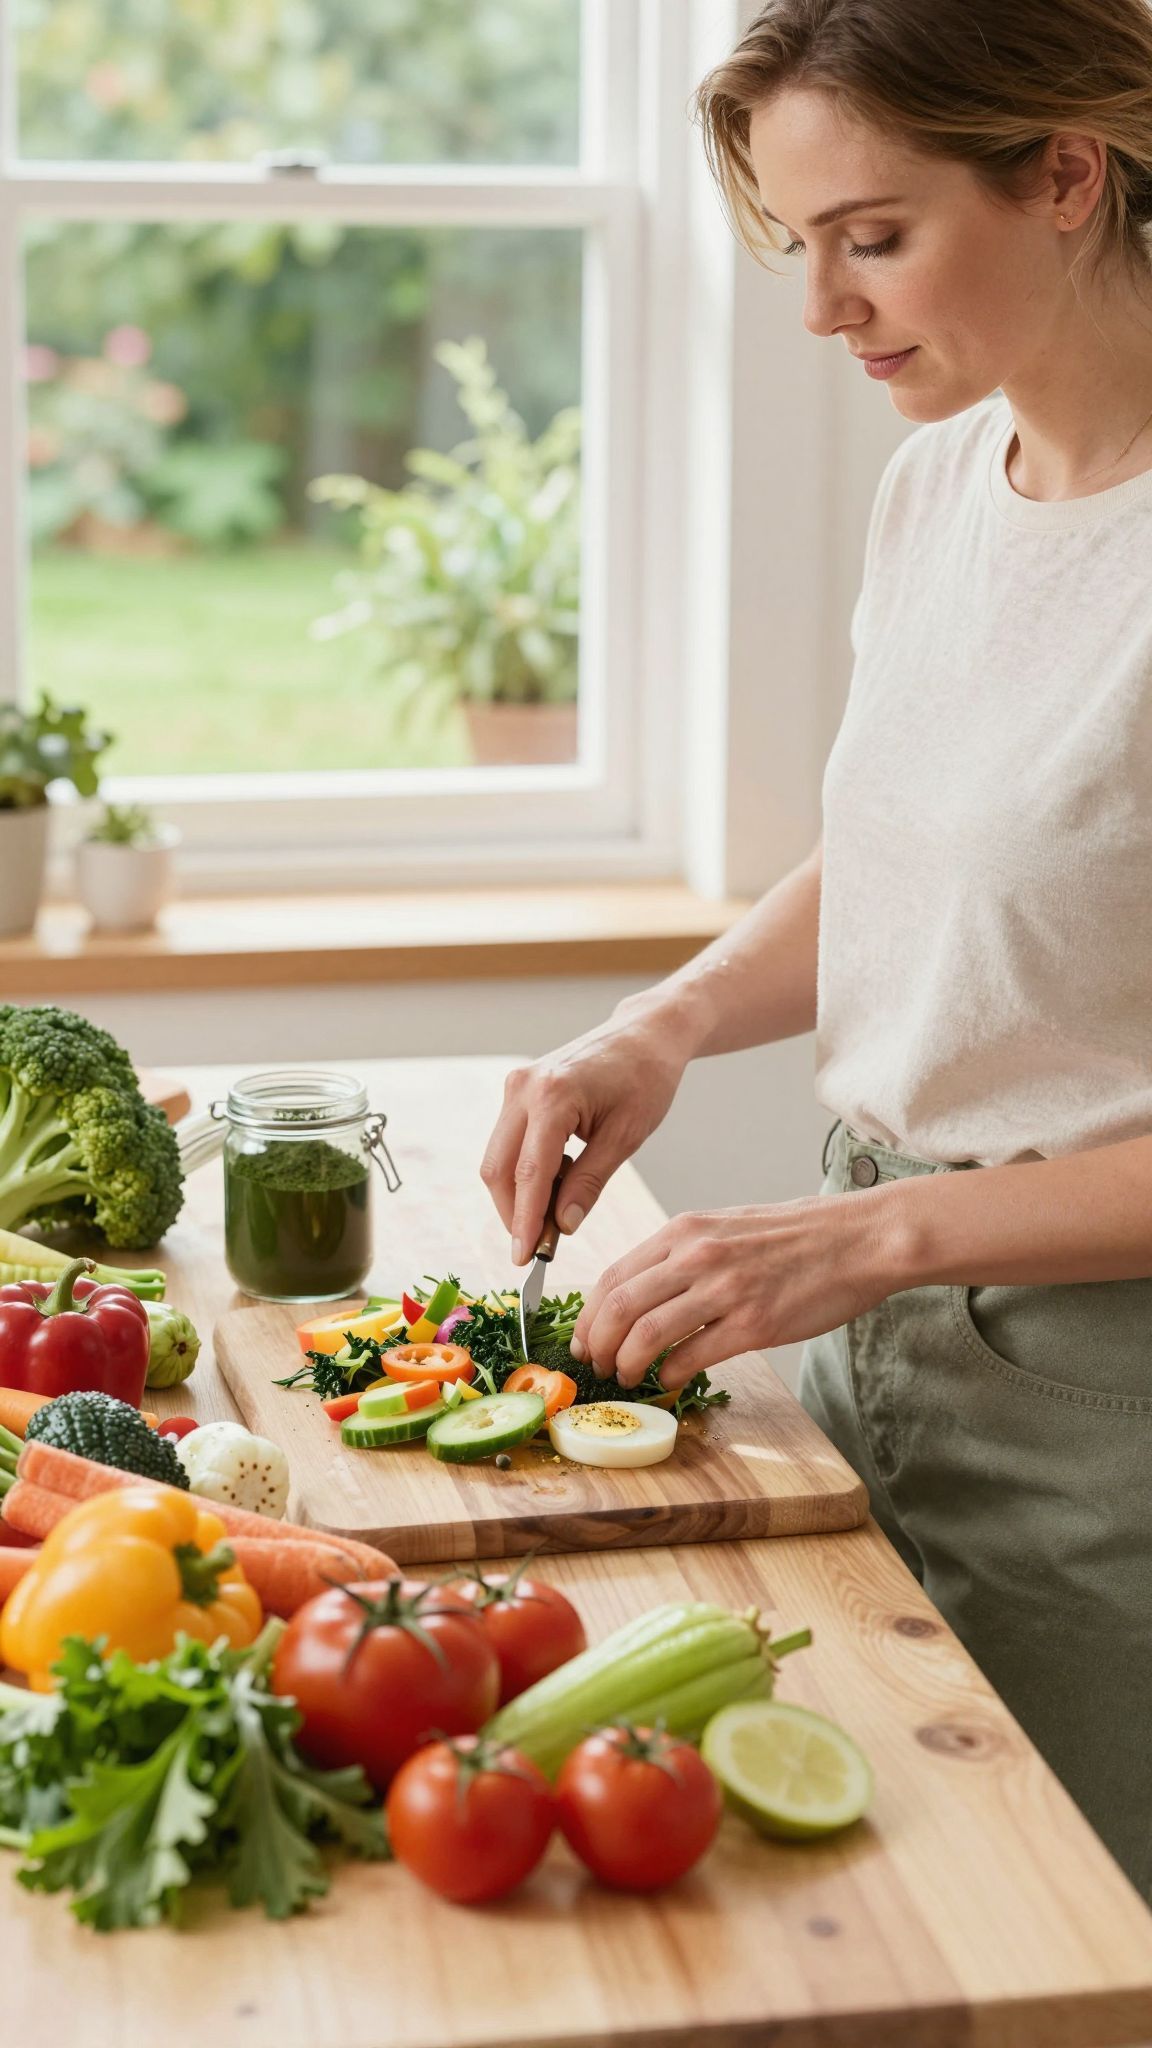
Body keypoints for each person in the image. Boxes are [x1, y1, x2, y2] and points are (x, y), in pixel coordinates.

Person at [480, 0, 1152, 1900]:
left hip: (1106, 1400)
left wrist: (875, 1239)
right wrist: (668, 1021)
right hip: (859, 1319)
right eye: (803, 249)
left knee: (1068, 1947)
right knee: (856, 1913)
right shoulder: (943, 483)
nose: (824, 312)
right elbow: (914, 857)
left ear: (1066, 174)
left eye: (874, 237)